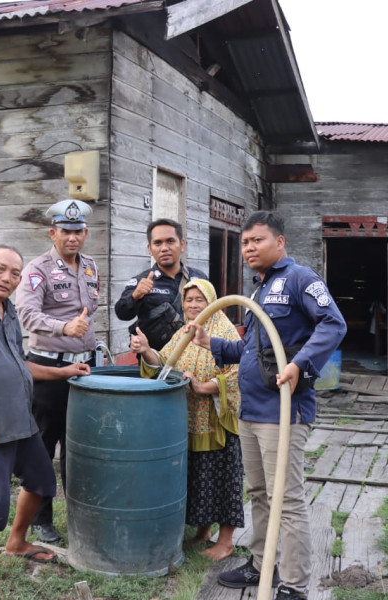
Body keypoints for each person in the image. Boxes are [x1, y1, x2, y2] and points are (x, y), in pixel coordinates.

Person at [188, 211, 346, 600]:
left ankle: (294, 585)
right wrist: (213, 344)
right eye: (244, 243)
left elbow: (333, 324)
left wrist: (299, 364)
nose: (248, 248)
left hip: (283, 411)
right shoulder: (259, 290)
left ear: (280, 242)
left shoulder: (300, 279)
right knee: (259, 492)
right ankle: (262, 565)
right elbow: (250, 350)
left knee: (286, 499)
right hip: (251, 410)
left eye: (257, 240)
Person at [0, 245, 91, 598]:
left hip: (20, 421)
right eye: (0, 269)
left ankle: (17, 541)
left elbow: (20, 364)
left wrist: (65, 370)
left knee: (41, 481)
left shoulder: (7, 312)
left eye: (14, 273)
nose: (7, 278)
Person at [130, 278, 244, 562]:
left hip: (217, 421)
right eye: (189, 300)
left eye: (199, 300)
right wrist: (146, 350)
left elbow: (241, 373)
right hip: (191, 420)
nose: (193, 305)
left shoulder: (225, 331)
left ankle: (226, 541)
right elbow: (166, 362)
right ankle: (203, 532)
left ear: (212, 301)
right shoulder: (184, 331)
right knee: (199, 477)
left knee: (223, 480)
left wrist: (205, 388)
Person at [15, 199, 99, 544]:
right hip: (48, 368)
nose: (72, 238)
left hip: (84, 370)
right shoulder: (37, 270)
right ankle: (41, 521)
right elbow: (27, 314)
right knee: (44, 447)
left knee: (81, 447)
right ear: (53, 233)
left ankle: (82, 517)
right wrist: (64, 328)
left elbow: (90, 312)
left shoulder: (91, 267)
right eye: (65, 231)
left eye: (78, 232)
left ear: (85, 233)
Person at [114, 218, 208, 351]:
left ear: (182, 245)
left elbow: (214, 315)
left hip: (195, 359)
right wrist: (136, 295)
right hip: (155, 363)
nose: (164, 248)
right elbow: (121, 313)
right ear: (150, 248)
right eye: (157, 243)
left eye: (170, 241)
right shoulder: (142, 281)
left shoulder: (199, 278)